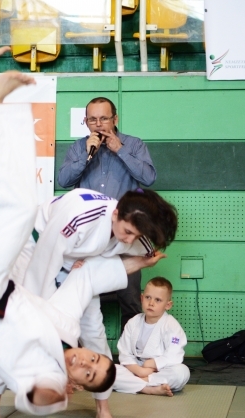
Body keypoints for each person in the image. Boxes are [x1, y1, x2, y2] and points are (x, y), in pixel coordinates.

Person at [0, 47, 163, 418]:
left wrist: (53, 394)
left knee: (15, 204)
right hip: (19, 262)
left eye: (86, 371)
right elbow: (69, 269)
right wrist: (134, 262)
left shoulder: (48, 364)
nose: (85, 361)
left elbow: (41, 389)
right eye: (93, 360)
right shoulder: (64, 316)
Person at [13, 187, 177, 418]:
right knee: (36, 326)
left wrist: (143, 261)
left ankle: (103, 407)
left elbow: (125, 258)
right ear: (116, 213)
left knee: (94, 332)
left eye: (136, 235)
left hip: (81, 265)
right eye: (127, 232)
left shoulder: (135, 230)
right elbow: (41, 271)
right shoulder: (78, 216)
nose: (129, 239)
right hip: (36, 247)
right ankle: (4, 397)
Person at [57, 98, 157, 330]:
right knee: (81, 299)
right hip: (89, 235)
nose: (99, 124)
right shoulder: (78, 147)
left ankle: (130, 351)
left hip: (124, 235)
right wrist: (86, 155)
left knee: (130, 299)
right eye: (93, 119)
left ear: (115, 119)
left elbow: (149, 178)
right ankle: (80, 351)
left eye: (104, 118)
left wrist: (120, 150)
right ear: (86, 121)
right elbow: (63, 180)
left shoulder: (134, 145)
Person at [114, 276, 190, 396]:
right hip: (136, 368)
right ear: (141, 298)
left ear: (168, 305)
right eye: (148, 297)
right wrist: (139, 371)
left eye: (158, 300)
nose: (151, 303)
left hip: (159, 370)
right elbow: (125, 352)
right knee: (109, 370)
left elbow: (174, 354)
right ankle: (149, 388)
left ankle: (139, 383)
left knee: (182, 372)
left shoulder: (171, 325)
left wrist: (153, 364)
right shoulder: (133, 322)